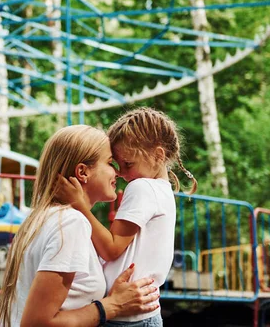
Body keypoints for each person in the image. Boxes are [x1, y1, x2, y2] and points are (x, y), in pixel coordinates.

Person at [0, 125, 160, 327]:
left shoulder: (39, 219)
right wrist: (113, 305)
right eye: (109, 163)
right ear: (82, 172)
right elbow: (37, 323)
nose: (117, 171)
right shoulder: (71, 223)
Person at [59, 107, 198, 327]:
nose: (122, 173)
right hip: (142, 315)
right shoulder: (163, 191)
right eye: (117, 165)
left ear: (158, 156)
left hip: (126, 318)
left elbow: (112, 248)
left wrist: (79, 206)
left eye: (128, 164)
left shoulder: (142, 187)